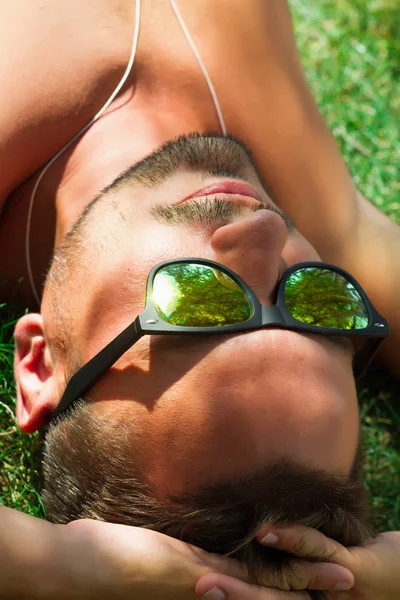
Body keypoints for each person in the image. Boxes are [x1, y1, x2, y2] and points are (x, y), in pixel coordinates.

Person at [0, 0, 399, 598]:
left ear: (39, 364)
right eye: (318, 303)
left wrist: (58, 563)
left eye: (198, 300)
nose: (264, 233)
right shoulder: (335, 227)